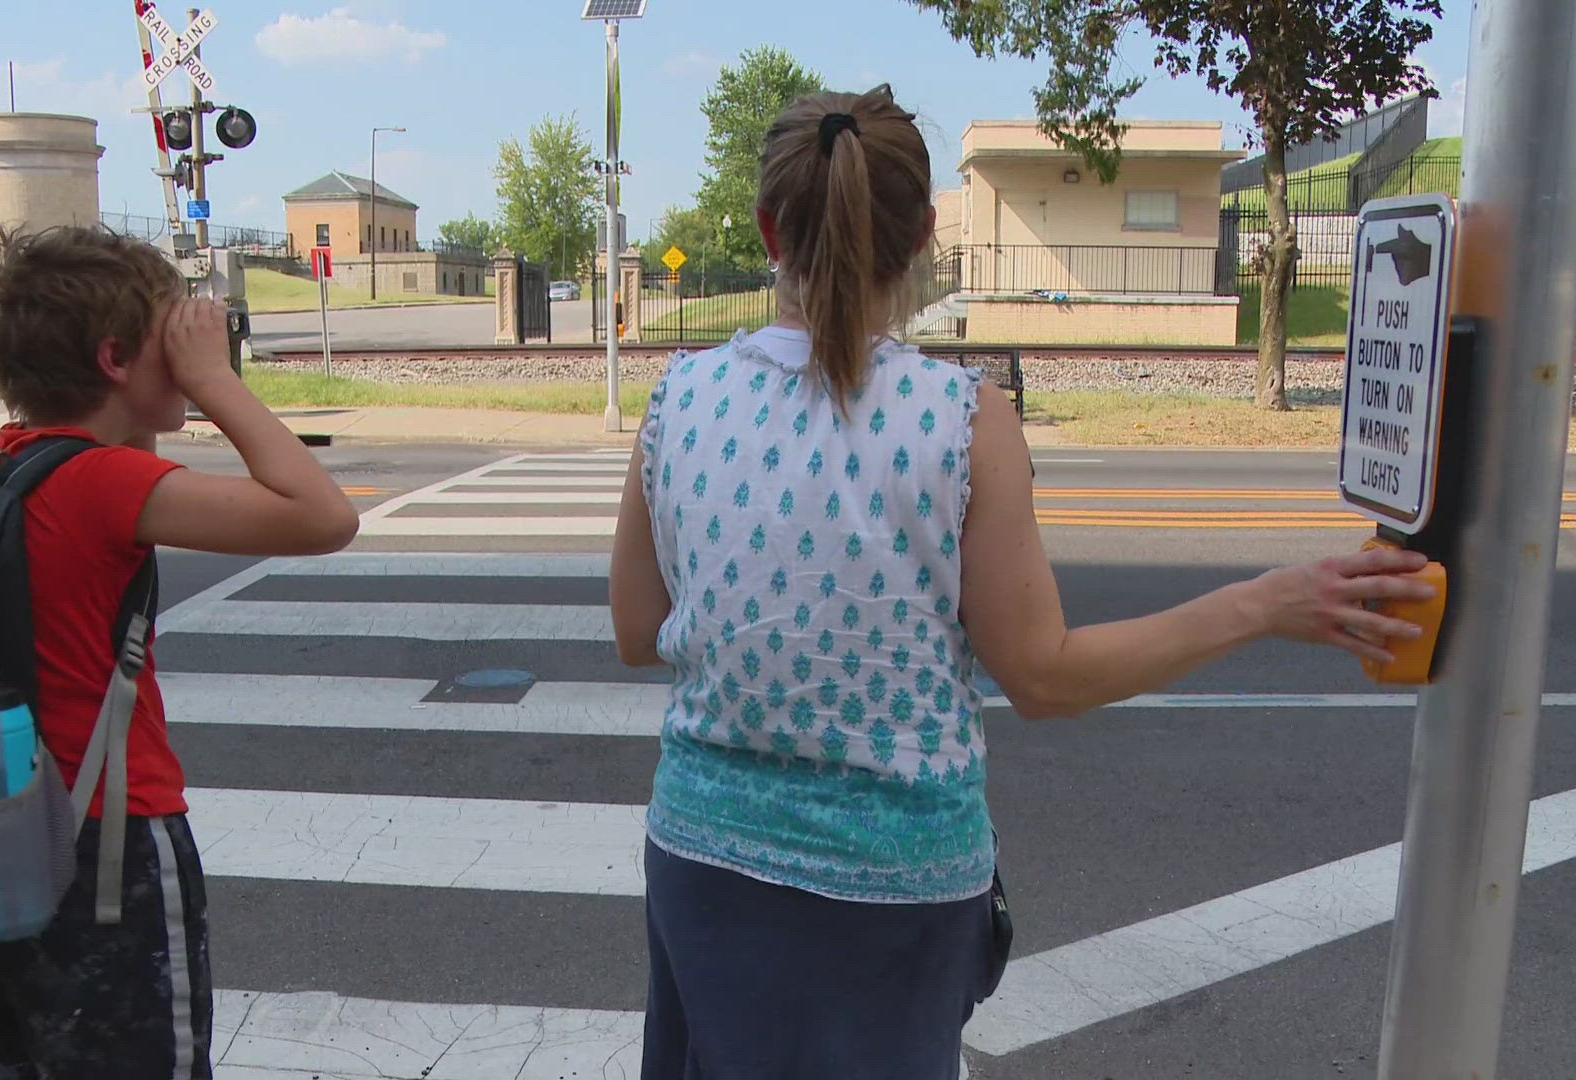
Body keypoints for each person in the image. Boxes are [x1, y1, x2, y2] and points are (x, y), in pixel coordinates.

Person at [606, 85, 1434, 1080]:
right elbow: (1045, 675)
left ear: (766, 230)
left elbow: (635, 626)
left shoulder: (679, 399)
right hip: (897, 894)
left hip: (703, 864)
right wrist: (1264, 601)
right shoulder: (960, 418)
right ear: (920, 240)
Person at [0, 224, 361, 1079]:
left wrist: (151, 383)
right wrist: (213, 381)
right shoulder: (102, 486)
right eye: (170, 339)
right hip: (109, 849)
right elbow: (325, 516)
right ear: (113, 359)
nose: (191, 350)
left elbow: (115, 446)